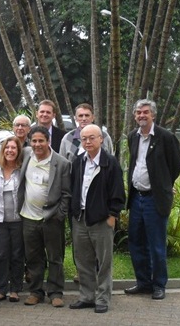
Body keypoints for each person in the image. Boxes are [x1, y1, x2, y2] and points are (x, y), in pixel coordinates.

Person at [124, 99, 180, 300]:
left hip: (154, 200)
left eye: (145, 112)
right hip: (136, 199)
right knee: (136, 243)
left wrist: (164, 185)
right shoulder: (133, 136)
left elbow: (176, 164)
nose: (141, 115)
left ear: (153, 115)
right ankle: (143, 283)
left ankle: (159, 285)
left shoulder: (166, 137)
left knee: (156, 245)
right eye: (138, 112)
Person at [69, 125, 125, 313]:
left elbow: (118, 192)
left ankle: (103, 299)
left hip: (102, 220)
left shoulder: (110, 163)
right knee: (83, 261)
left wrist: (112, 215)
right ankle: (87, 297)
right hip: (80, 219)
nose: (87, 142)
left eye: (92, 138)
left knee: (103, 262)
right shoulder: (78, 162)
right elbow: (73, 188)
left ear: (101, 139)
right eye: (84, 139)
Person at [18, 126, 71, 307]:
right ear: (29, 142)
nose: (37, 144)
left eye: (41, 140)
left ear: (48, 141)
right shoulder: (25, 155)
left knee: (55, 257)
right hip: (28, 217)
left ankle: (56, 292)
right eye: (34, 141)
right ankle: (35, 291)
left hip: (51, 218)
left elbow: (66, 194)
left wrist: (60, 215)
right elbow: (4, 157)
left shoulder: (61, 163)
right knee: (33, 258)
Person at [0, 136, 24, 303]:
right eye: (7, 148)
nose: (10, 151)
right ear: (3, 150)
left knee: (17, 255)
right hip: (0, 220)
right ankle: (1, 289)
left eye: (13, 148)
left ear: (18, 151)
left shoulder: (23, 169)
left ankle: (15, 289)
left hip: (19, 220)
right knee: (1, 255)